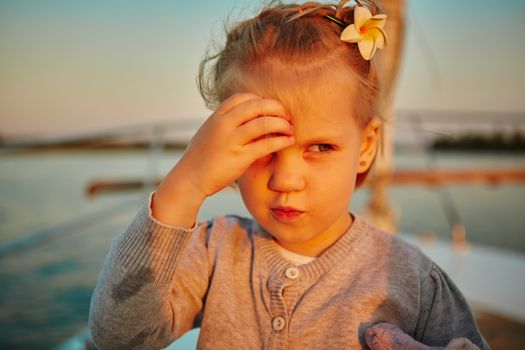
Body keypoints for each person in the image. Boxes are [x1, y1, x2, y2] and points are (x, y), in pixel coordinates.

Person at [89, 1, 490, 349]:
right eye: (262, 146)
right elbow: (119, 337)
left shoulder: (414, 280)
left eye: (320, 147)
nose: (286, 179)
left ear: (366, 146)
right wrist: (186, 184)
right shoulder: (212, 251)